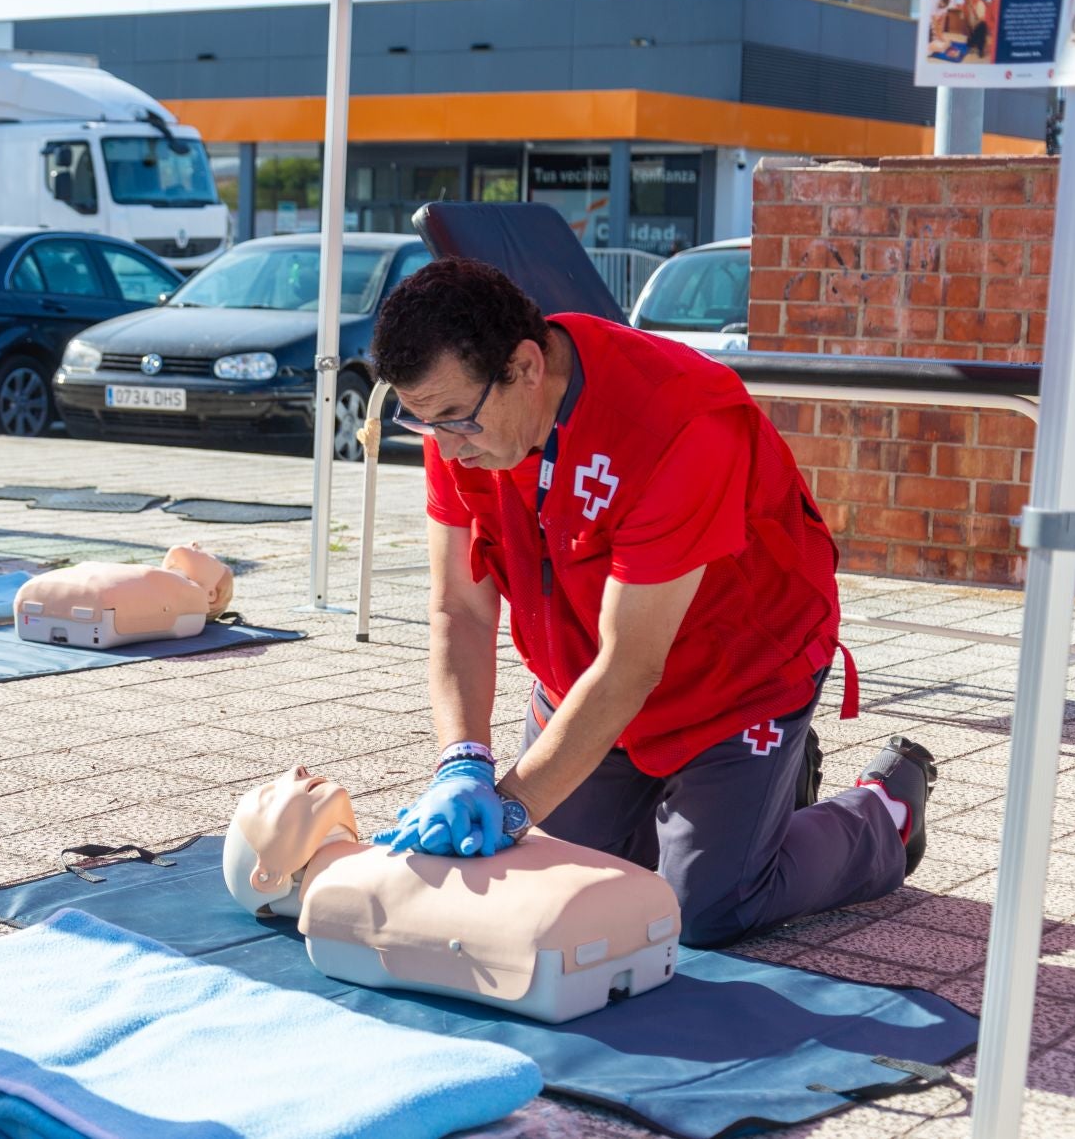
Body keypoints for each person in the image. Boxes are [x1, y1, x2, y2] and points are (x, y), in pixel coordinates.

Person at [367, 259, 937, 948]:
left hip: (734, 684)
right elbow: (460, 608)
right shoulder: (463, 422)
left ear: (525, 365)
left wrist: (513, 803)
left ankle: (882, 813)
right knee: (555, 887)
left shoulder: (677, 421)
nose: (449, 453)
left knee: (700, 910)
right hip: (582, 683)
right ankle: (757, 799)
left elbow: (631, 664)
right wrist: (462, 761)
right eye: (427, 426)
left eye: (457, 421)